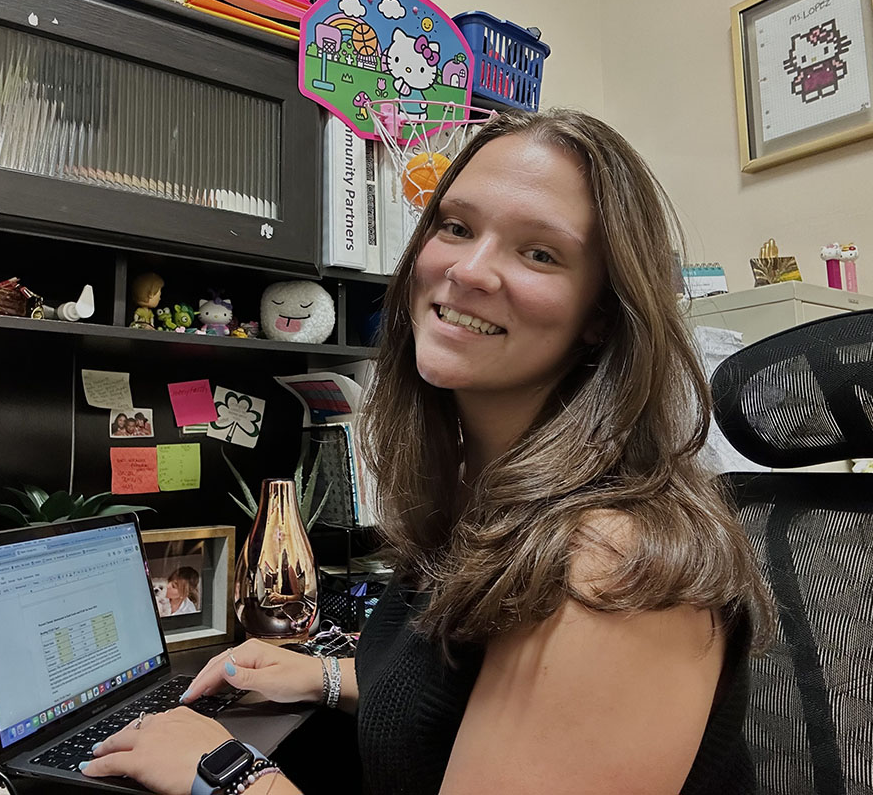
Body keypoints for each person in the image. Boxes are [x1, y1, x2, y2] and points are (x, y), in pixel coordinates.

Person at [79, 109, 774, 795]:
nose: (469, 269)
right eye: (457, 226)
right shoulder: (485, 491)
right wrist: (323, 675)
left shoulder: (614, 568)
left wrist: (224, 774)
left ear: (601, 314)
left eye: (539, 252)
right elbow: (458, 690)